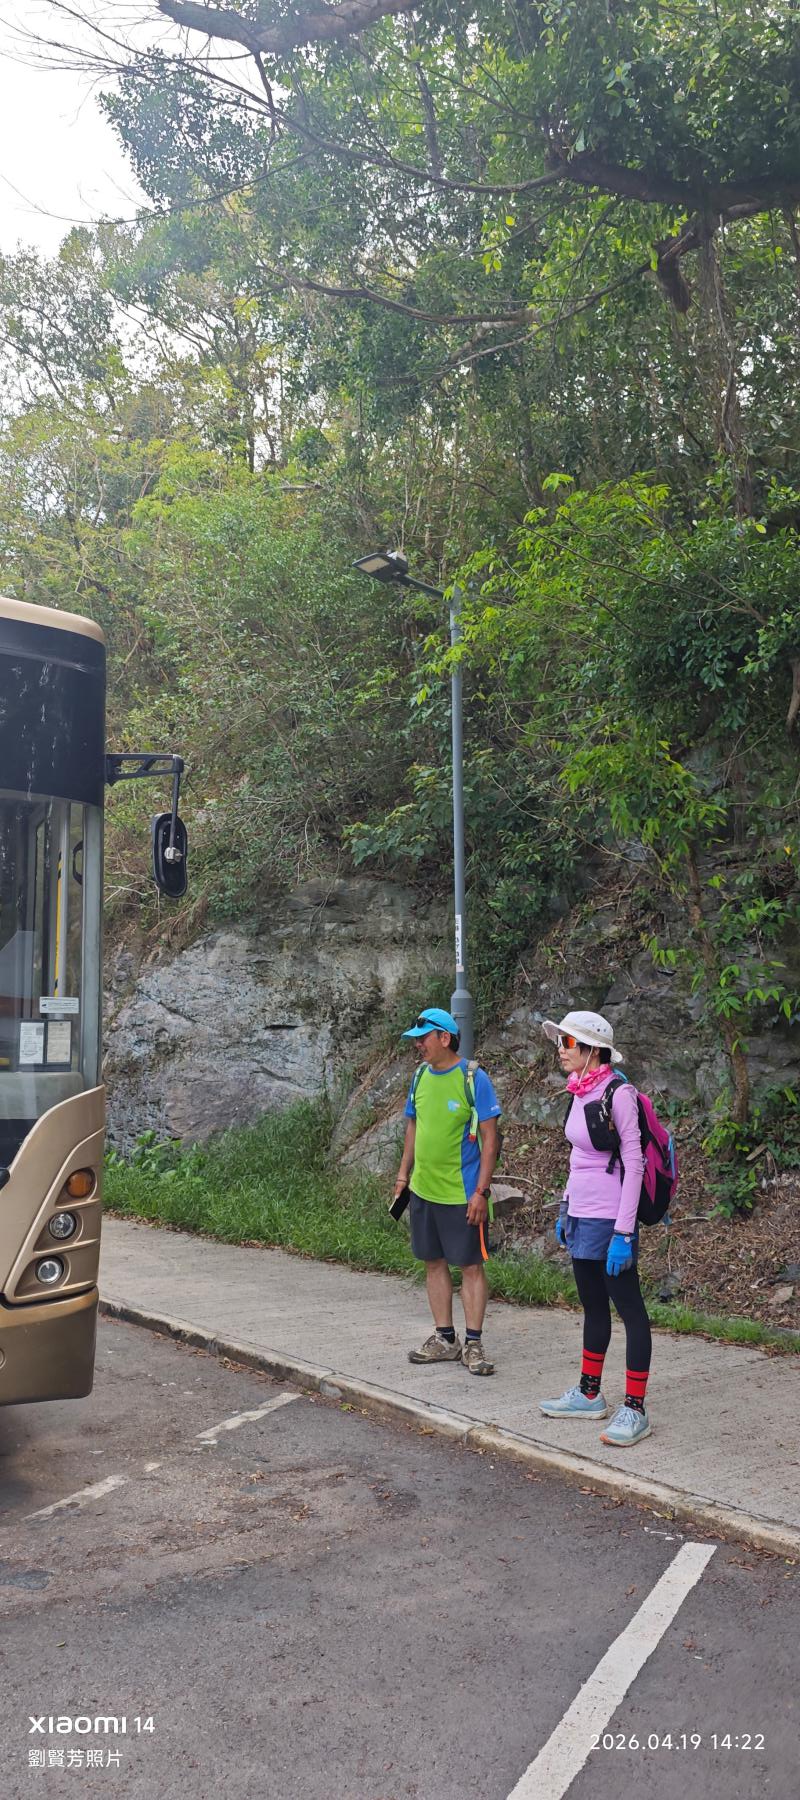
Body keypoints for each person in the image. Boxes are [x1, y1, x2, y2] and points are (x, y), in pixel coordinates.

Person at [538, 1009, 653, 1446]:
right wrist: (566, 1207)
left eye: (568, 1043)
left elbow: (635, 1164)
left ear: (593, 1050)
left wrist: (624, 1232)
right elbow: (578, 1160)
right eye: (560, 1042)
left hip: (612, 1218)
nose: (561, 1050)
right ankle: (589, 1394)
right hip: (582, 1215)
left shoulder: (618, 1093)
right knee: (592, 1305)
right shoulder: (579, 1090)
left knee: (630, 1310)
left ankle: (635, 1409)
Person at [393, 1006, 502, 1376]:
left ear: (444, 1037)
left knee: (470, 1266)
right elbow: (413, 1126)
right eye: (415, 1040)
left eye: (423, 1038)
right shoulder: (420, 1076)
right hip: (423, 1190)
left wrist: (481, 1192)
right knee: (433, 1262)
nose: (418, 1045)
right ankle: (445, 1339)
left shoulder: (473, 1078)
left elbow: (490, 1140)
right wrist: (403, 1175)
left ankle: (473, 1343)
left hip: (462, 1193)